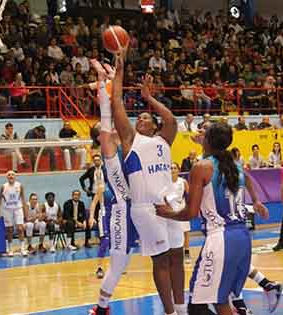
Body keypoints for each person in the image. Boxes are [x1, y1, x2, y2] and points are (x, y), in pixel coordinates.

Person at [155, 122, 270, 315]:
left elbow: (190, 213)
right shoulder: (234, 165)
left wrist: (167, 213)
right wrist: (256, 200)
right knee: (214, 301)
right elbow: (248, 178)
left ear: (207, 140)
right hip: (242, 236)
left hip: (221, 238)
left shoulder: (201, 167)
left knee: (201, 306)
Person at [110, 47, 185, 315]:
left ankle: (181, 306)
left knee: (178, 256)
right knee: (161, 259)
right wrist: (119, 71)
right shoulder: (131, 141)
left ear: (153, 124)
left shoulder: (163, 140)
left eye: (145, 117)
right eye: (138, 117)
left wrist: (149, 98)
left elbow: (171, 119)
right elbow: (116, 103)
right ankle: (169, 312)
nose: (140, 119)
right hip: (146, 208)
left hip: (170, 205)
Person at [88, 60, 139, 315]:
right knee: (118, 263)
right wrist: (102, 80)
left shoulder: (126, 142)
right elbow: (107, 113)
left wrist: (112, 78)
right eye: (103, 130)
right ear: (101, 136)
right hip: (121, 209)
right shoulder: (108, 148)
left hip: (142, 208)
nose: (107, 129)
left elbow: (116, 108)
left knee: (166, 252)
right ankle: (101, 308)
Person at [0, 171, 30, 256]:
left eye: (12, 174)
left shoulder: (20, 185)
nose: (11, 176)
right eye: (9, 175)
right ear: (7, 177)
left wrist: (26, 212)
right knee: (9, 230)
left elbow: (23, 199)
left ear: (15, 176)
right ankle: (10, 249)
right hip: (7, 210)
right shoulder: (3, 186)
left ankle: (22, 249)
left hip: (18, 209)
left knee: (20, 228)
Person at [170, 162, 190, 263]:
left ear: (178, 170)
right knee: (171, 232)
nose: (173, 170)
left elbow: (189, 195)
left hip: (181, 207)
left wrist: (188, 208)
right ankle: (173, 254)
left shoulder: (183, 182)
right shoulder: (165, 182)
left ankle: (186, 253)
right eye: (171, 168)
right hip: (170, 209)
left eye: (174, 168)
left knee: (185, 231)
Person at [79, 154, 105, 228]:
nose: (97, 162)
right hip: (94, 192)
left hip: (104, 193)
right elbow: (81, 179)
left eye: (98, 160)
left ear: (101, 160)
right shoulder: (91, 170)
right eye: (95, 160)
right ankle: (99, 232)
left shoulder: (105, 169)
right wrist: (85, 189)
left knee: (104, 211)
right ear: (93, 162)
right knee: (96, 212)